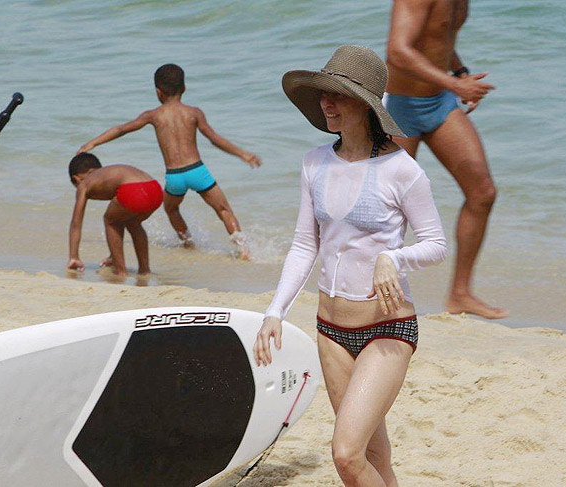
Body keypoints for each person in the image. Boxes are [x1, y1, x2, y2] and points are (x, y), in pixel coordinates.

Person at [254, 46, 447, 487]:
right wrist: (275, 312)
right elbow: (305, 245)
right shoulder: (314, 163)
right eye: (323, 94)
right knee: (373, 455)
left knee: (345, 455)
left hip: (386, 329)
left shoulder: (402, 170)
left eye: (337, 95)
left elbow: (436, 245)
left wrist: (393, 257)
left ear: (365, 104)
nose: (326, 103)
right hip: (331, 331)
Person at [385, 0, 507, 319]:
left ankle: (460, 295)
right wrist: (456, 84)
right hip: (400, 105)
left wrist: (460, 71)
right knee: (387, 206)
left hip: (439, 102)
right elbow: (398, 51)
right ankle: (372, 291)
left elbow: (438, 41)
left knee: (482, 194)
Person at [77, 63, 260, 259]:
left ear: (158, 91)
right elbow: (214, 139)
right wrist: (242, 154)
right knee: (223, 209)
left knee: (171, 208)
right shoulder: (194, 112)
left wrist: (93, 143)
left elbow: (122, 129)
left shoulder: (153, 115)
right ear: (184, 88)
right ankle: (243, 250)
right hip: (197, 171)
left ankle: (188, 243)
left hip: (175, 176)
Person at [67, 153, 163, 277]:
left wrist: (74, 256)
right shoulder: (107, 173)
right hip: (155, 189)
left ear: (77, 178)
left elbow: (76, 223)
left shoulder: (84, 184)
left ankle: (120, 271)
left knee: (110, 221)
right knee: (132, 223)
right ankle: (144, 270)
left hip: (133, 190)